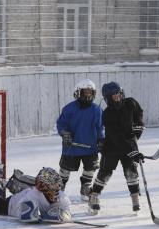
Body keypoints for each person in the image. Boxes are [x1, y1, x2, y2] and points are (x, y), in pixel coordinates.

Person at [88, 81, 145, 215]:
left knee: (131, 171)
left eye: (119, 94)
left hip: (129, 144)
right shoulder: (107, 114)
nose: (118, 97)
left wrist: (136, 133)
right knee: (105, 173)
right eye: (115, 96)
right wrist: (133, 151)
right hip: (112, 146)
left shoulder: (131, 103)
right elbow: (117, 137)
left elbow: (139, 116)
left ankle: (135, 196)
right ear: (108, 99)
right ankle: (94, 194)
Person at [0, 161, 71, 223]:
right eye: (37, 183)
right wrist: (30, 213)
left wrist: (63, 215)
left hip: (23, 193)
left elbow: (67, 211)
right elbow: (22, 211)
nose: (38, 187)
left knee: (27, 188)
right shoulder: (34, 194)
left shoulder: (62, 198)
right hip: (7, 206)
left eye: (42, 185)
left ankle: (8, 182)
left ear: (52, 186)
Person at [56, 79, 104, 200]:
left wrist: (101, 139)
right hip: (71, 147)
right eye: (85, 92)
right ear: (78, 92)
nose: (88, 95)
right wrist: (64, 133)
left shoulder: (96, 110)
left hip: (90, 147)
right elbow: (61, 124)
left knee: (90, 169)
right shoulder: (69, 109)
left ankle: (85, 188)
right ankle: (59, 190)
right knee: (65, 171)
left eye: (90, 92)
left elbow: (100, 127)